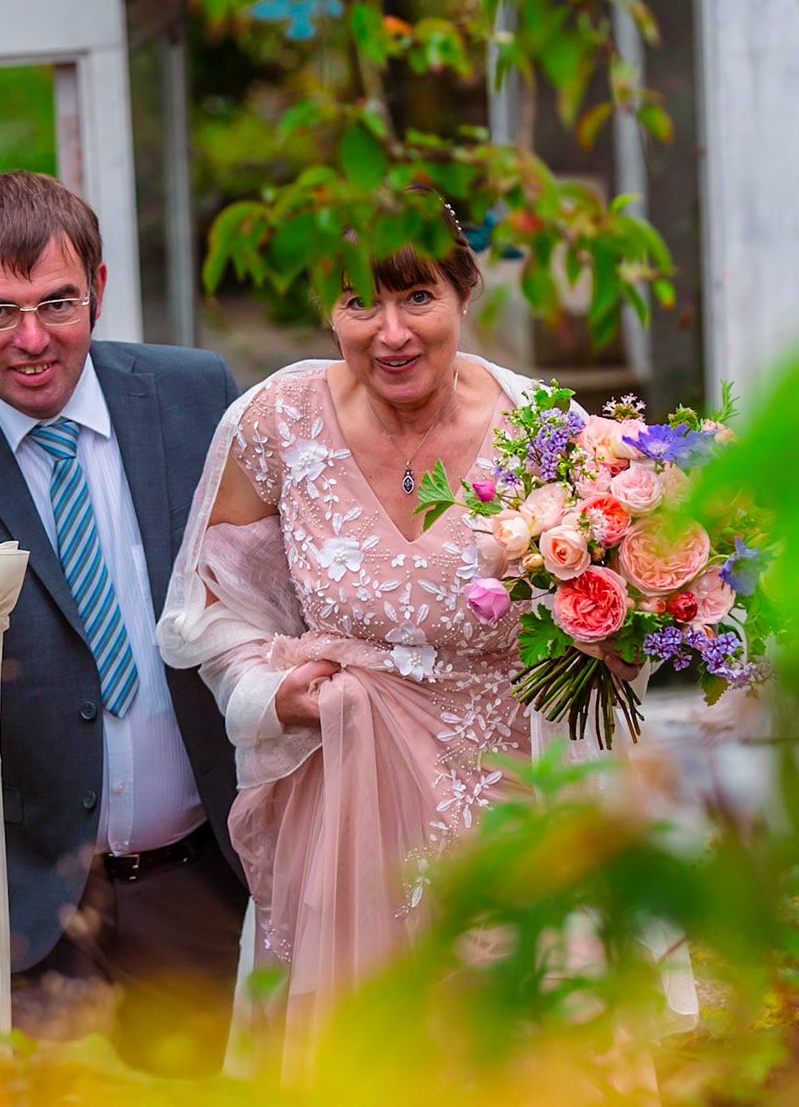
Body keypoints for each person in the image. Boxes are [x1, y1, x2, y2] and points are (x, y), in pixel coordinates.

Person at [0, 170, 249, 1075]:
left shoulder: (196, 397)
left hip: (199, 884)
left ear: (98, 287)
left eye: (57, 303)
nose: (31, 340)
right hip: (22, 906)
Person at [156, 208, 543, 1078]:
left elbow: (606, 613)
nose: (391, 332)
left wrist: (622, 644)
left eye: (418, 297)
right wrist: (269, 693)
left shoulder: (544, 429)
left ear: (464, 293)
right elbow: (212, 604)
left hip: (507, 816)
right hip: (342, 825)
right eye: (360, 302)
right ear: (329, 311)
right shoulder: (277, 421)